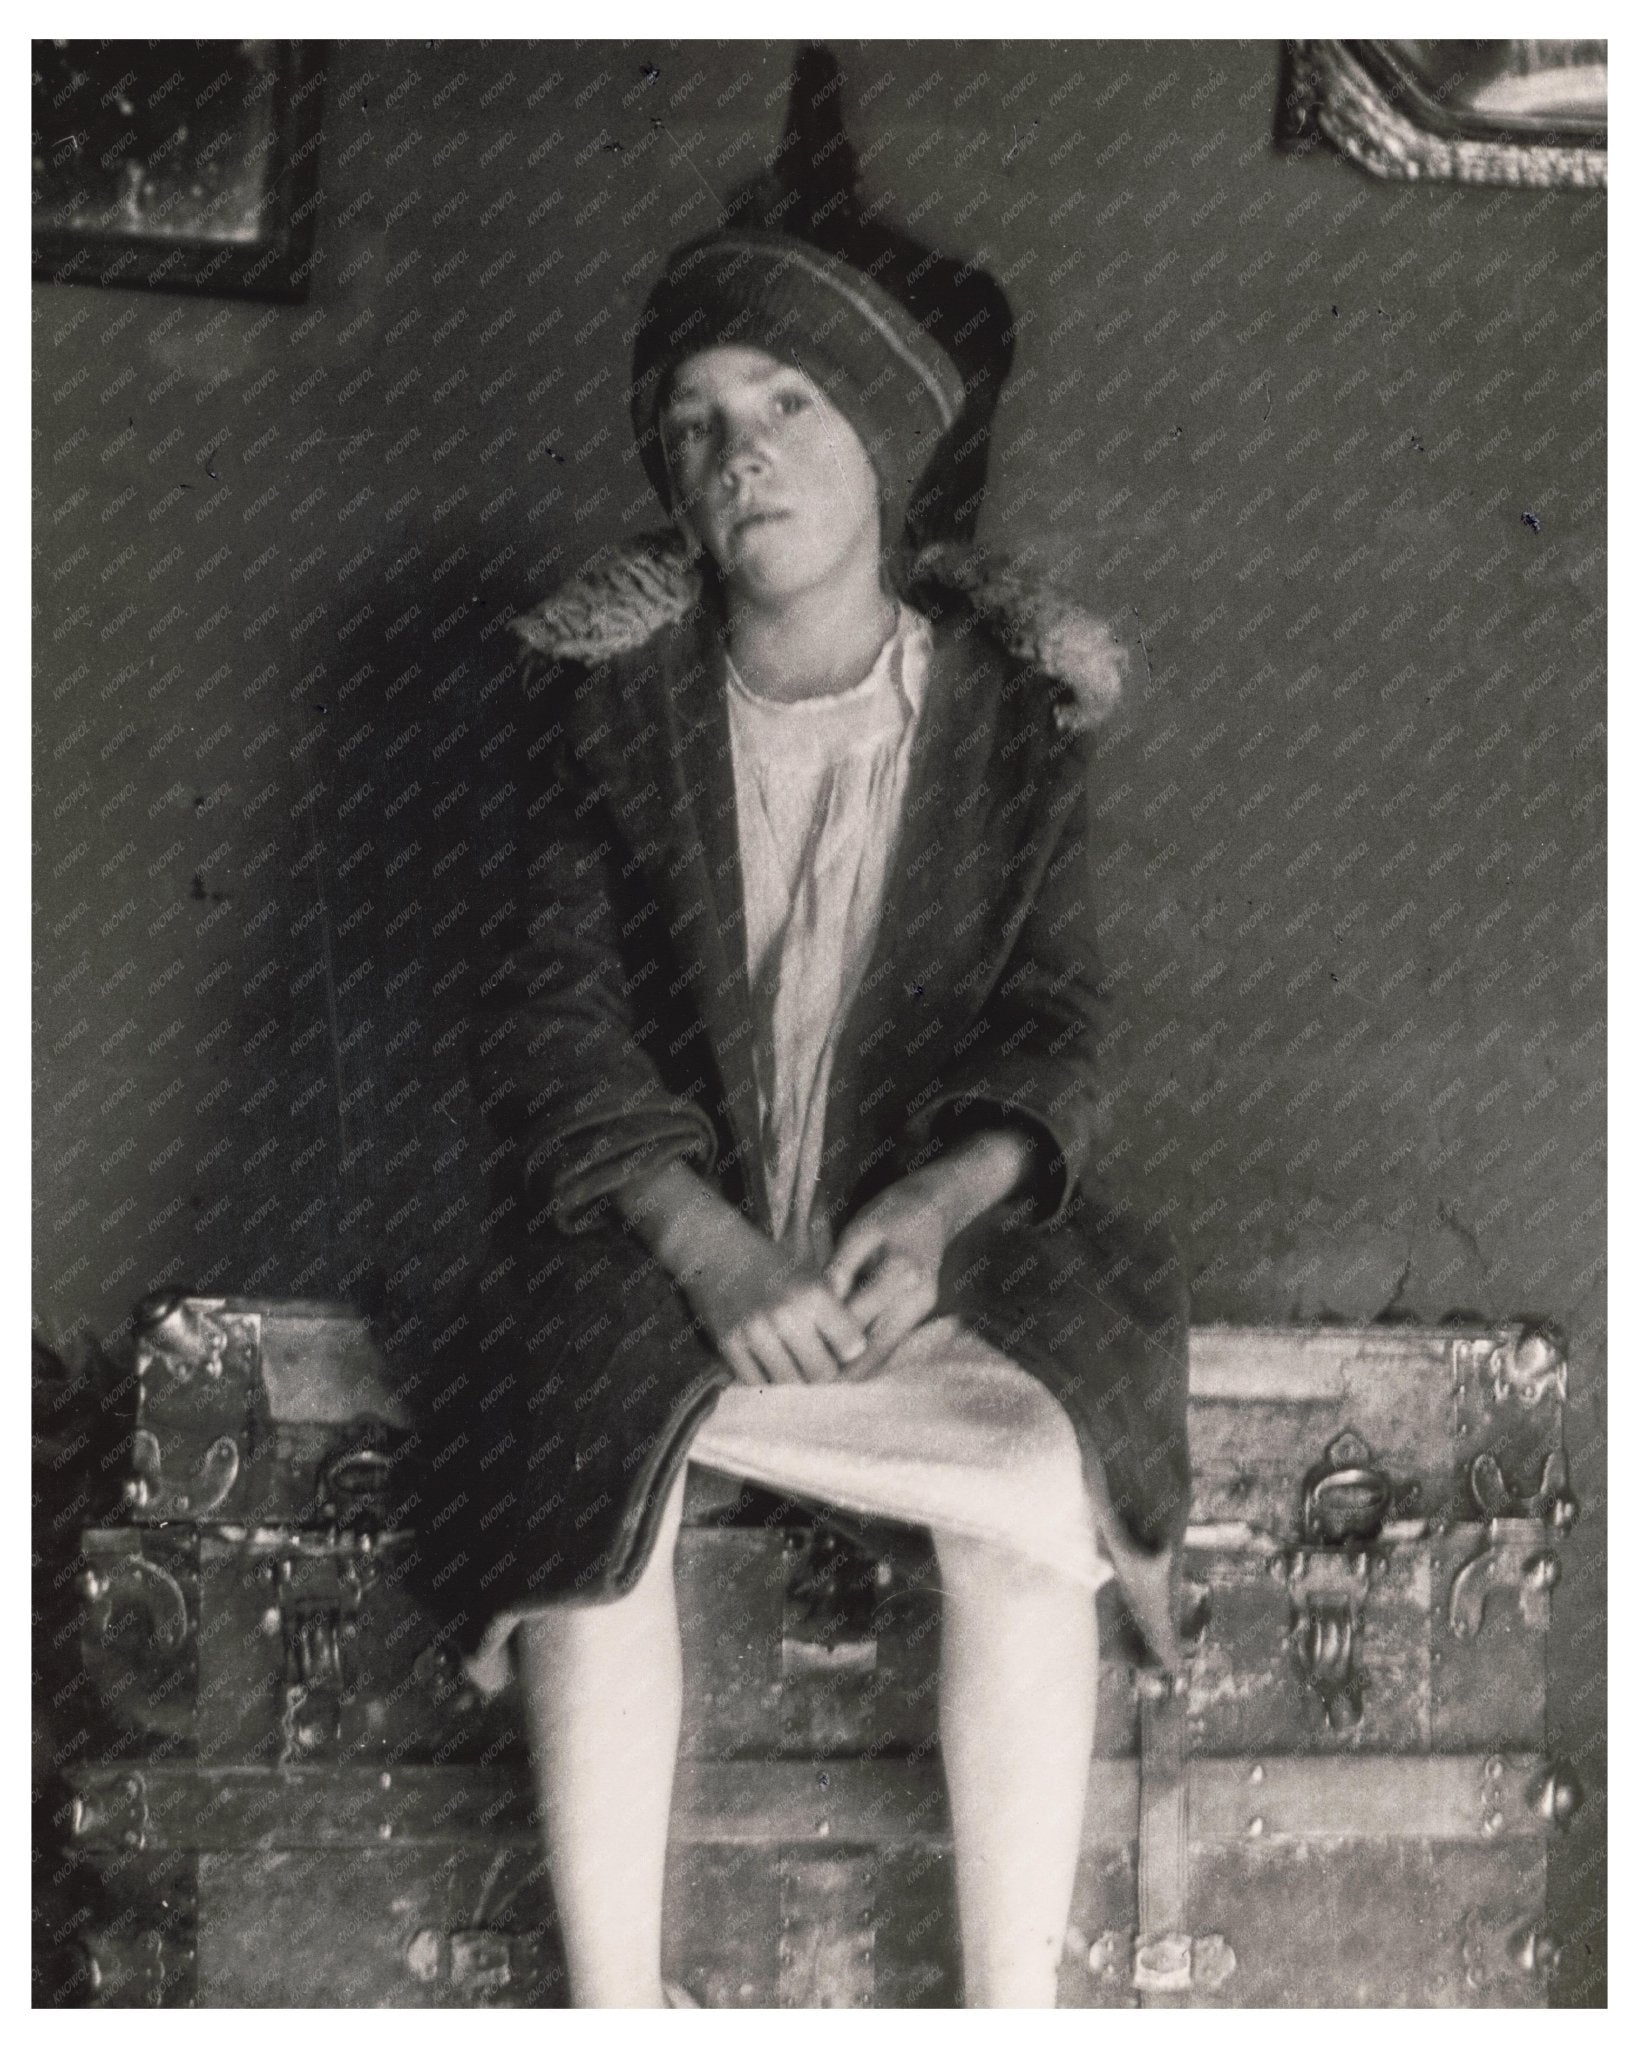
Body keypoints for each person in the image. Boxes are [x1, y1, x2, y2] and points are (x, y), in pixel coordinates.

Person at [452, 226, 1192, 2009]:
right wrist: (707, 1247)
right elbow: (546, 1018)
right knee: (588, 1508)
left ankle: (1011, 2010)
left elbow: (1065, 1015)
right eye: (697, 422)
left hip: (911, 1285)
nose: (741, 454)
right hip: (664, 1277)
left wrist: (940, 1208)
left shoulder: (1017, 725)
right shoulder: (604, 713)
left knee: (1033, 1493)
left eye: (788, 404)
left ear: (890, 443)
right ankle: (615, 2009)